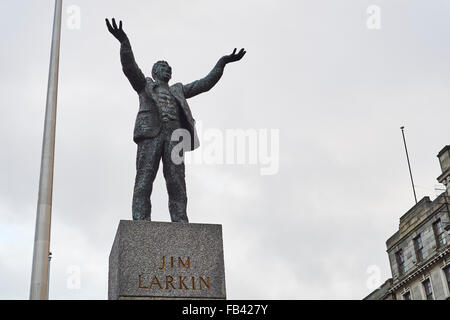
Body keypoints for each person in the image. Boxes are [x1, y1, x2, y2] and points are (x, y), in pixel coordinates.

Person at [106, 18, 246, 222]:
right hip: (150, 134)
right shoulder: (144, 85)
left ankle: (180, 219)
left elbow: (204, 84)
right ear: (155, 72)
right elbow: (130, 67)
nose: (168, 69)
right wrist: (124, 43)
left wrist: (222, 62)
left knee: (177, 182)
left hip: (175, 138)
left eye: (169, 67)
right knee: (144, 180)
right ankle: (141, 221)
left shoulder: (178, 90)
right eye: (164, 67)